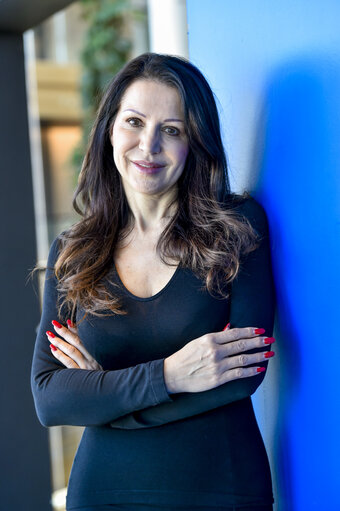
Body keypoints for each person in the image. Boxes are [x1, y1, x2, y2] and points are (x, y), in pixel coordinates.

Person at [31, 52, 276, 511]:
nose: (149, 146)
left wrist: (105, 394)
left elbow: (242, 376)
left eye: (172, 130)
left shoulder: (237, 227)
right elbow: (50, 396)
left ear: (194, 143)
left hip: (220, 489)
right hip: (103, 493)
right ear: (109, 130)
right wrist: (171, 375)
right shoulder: (75, 251)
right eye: (134, 122)